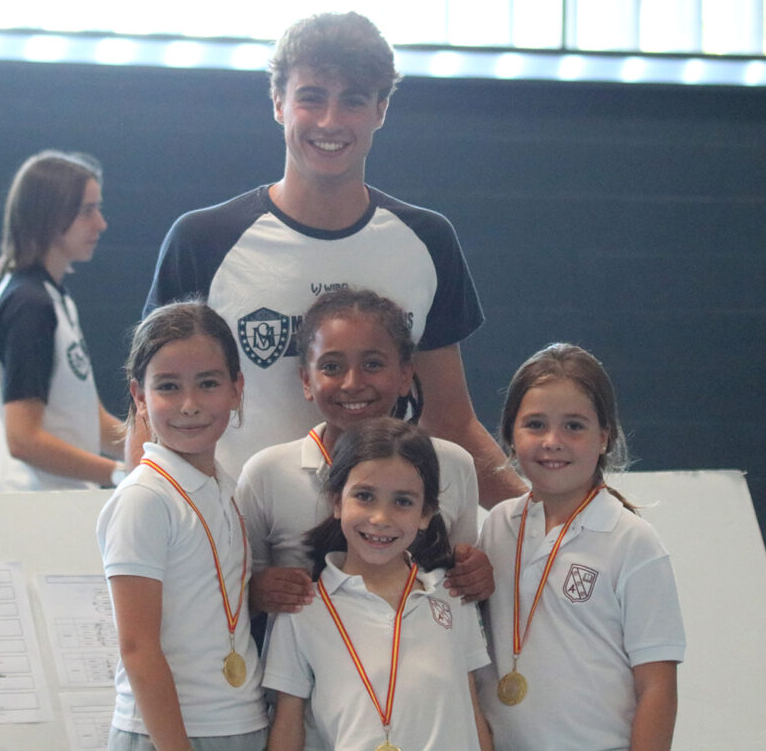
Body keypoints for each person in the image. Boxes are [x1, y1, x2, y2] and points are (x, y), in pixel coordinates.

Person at [139, 11, 524, 508]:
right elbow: (151, 413)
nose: (330, 121)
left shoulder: (427, 240)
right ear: (278, 103)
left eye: (354, 101)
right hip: (245, 551)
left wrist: (546, 515)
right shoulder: (203, 241)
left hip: (380, 541)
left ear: (381, 110)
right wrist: (144, 536)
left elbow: (450, 420)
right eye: (311, 97)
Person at [237, 288, 493, 620]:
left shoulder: (453, 464)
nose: (352, 383)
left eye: (373, 364)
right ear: (305, 380)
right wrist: (256, 592)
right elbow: (236, 588)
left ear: (404, 375)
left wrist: (478, 576)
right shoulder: (266, 474)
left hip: (417, 663)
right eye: (331, 366)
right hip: (304, 667)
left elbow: (460, 580)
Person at [477, 343, 685, 751]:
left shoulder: (631, 542)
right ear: (509, 435)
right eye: (535, 424)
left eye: (574, 426)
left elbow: (658, 687)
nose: (552, 441)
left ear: (604, 436)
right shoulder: (498, 526)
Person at [263, 417, 493, 751]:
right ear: (337, 501)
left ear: (426, 513)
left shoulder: (451, 592)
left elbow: (471, 707)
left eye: (402, 501)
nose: (381, 518)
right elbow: (288, 723)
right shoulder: (302, 607)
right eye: (365, 496)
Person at [96, 302, 267, 751]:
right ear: (139, 397)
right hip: (168, 735)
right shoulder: (145, 498)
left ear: (237, 389)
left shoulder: (226, 488)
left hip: (241, 721)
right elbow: (137, 649)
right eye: (168, 387)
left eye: (208, 383)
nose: (189, 405)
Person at [0, 150, 123, 492]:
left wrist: (158, 454)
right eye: (88, 210)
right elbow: (23, 439)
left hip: (55, 509)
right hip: (28, 513)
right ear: (51, 215)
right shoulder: (29, 305)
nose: (101, 223)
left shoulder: (55, 300)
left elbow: (94, 421)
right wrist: (118, 474)